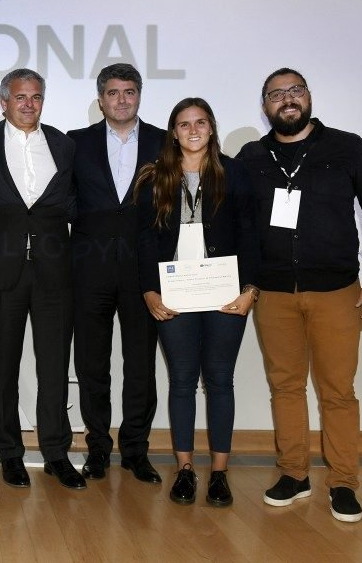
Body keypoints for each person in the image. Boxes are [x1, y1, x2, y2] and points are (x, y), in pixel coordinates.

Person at [237, 68, 362, 523]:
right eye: (276, 94)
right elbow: (235, 222)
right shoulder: (250, 157)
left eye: (295, 91)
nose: (287, 99)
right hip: (273, 293)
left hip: (336, 292)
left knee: (338, 391)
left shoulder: (348, 147)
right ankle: (294, 473)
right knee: (285, 387)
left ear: (308, 97)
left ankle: (343, 482)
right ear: (265, 106)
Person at [134, 98, 259, 506]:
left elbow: (250, 233)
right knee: (183, 380)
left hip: (225, 291)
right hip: (174, 292)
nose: (192, 130)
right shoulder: (155, 177)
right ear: (173, 132)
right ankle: (185, 469)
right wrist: (150, 290)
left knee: (220, 380)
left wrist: (250, 289)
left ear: (211, 128)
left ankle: (219, 473)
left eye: (200, 122)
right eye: (184, 124)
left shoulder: (234, 173)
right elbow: (145, 240)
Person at [0, 69, 81, 490]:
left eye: (36, 97)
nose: (28, 104)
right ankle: (10, 453)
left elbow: (73, 204)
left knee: (54, 366)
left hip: (54, 272)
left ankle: (56, 453)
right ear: (4, 102)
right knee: (3, 367)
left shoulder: (64, 145)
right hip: (1, 271)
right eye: (20, 97)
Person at [68, 63, 165, 484]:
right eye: (113, 92)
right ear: (100, 99)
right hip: (89, 269)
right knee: (92, 364)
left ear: (139, 96)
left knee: (140, 364)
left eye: (129, 92)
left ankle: (136, 450)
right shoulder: (75, 143)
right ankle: (98, 449)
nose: (121, 100)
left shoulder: (165, 142)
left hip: (145, 272)